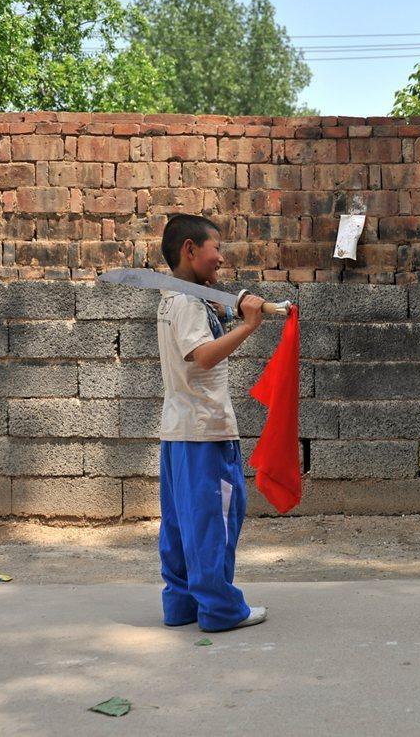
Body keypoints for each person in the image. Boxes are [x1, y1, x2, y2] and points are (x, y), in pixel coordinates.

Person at [155, 214, 268, 632]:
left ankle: (182, 604)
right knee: (212, 523)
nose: (220, 257)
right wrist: (249, 326)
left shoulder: (175, 295)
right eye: (214, 248)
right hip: (205, 431)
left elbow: (211, 300)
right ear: (190, 249)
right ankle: (221, 610)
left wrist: (233, 303)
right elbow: (203, 354)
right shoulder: (186, 302)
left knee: (182, 522)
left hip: (179, 432)